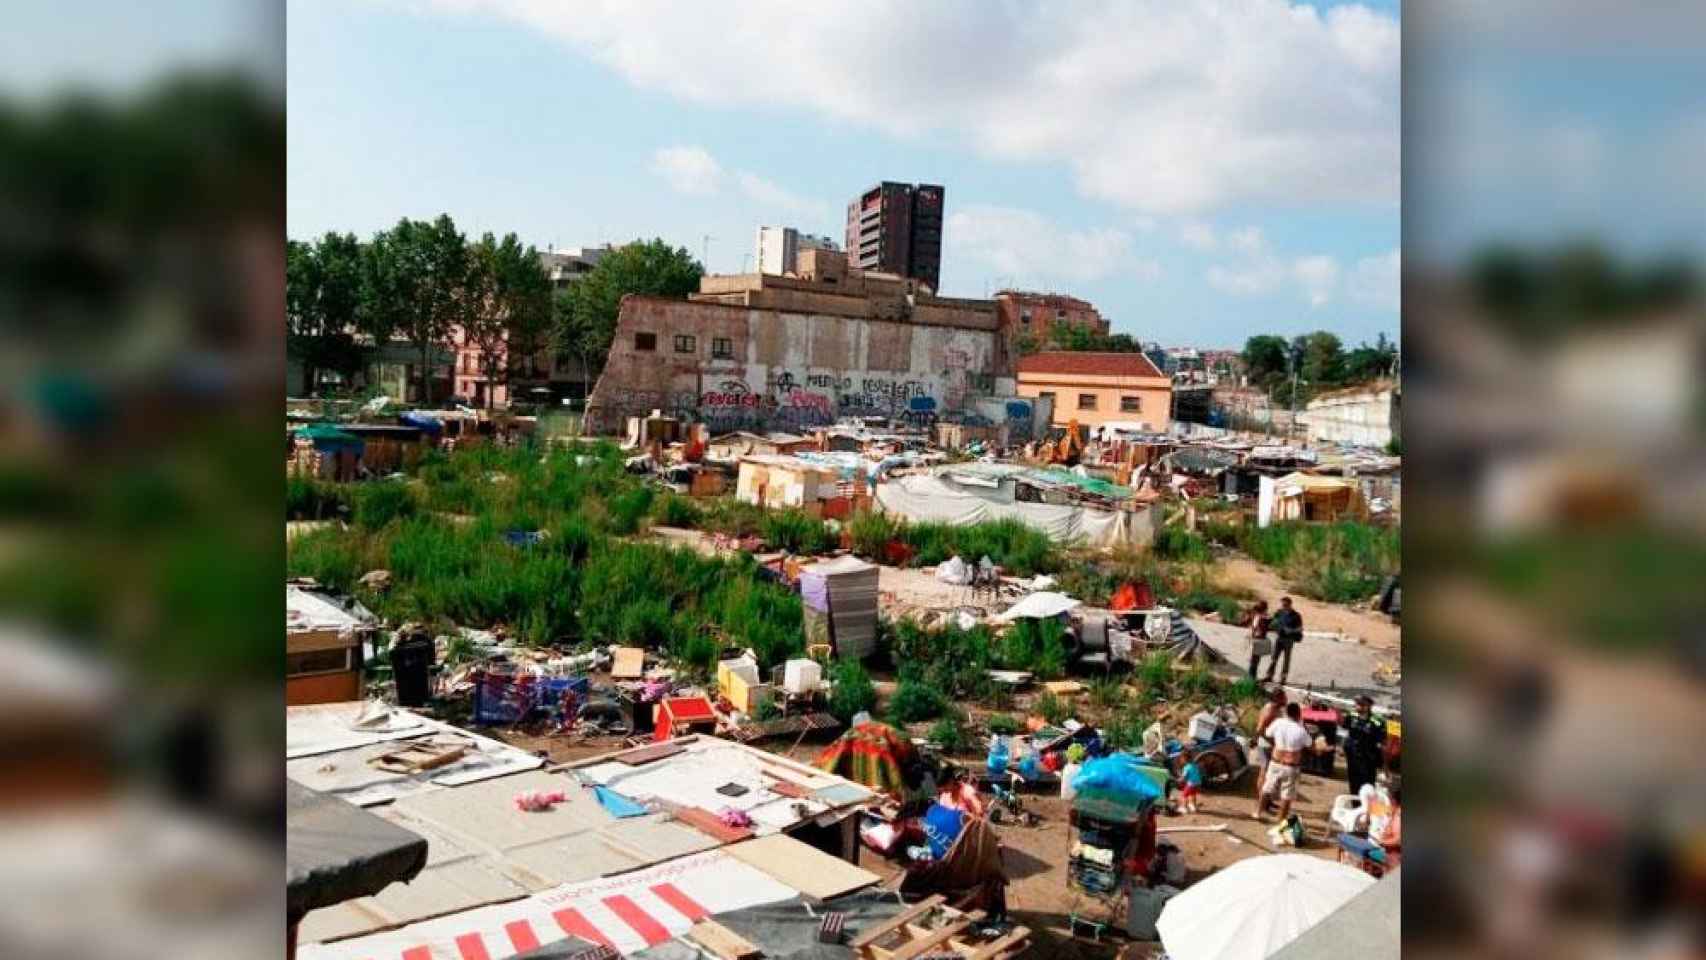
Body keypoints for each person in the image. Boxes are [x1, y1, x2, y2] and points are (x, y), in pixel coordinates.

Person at [1253, 702, 1311, 824]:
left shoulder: (1278, 723)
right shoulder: (1300, 730)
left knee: (1266, 789)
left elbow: (1268, 733)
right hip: (1291, 766)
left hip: (1275, 762)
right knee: (1286, 796)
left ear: (1287, 713)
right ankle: (1280, 820)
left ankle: (1257, 812)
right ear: (1298, 714)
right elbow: (1310, 744)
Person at [1338, 783, 1401, 872]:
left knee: (1353, 848)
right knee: (1353, 837)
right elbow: (1369, 816)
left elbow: (1397, 840)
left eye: (1389, 797)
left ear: (1393, 800)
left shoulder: (1398, 816)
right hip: (1382, 844)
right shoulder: (1390, 809)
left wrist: (1382, 842)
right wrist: (1369, 811)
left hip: (1389, 851)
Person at [1341, 694, 1387, 795]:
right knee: (1353, 782)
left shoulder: (1378, 721)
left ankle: (1367, 808)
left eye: (1361, 704)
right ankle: (1355, 805)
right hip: (1353, 756)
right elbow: (1345, 729)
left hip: (1368, 759)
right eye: (1357, 704)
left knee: (1367, 785)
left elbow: (1382, 743)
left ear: (1369, 706)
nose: (1358, 706)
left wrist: (1384, 765)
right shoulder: (1351, 716)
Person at [1250, 688, 1287, 813]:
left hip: (1269, 745)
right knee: (1264, 774)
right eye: (1284, 697)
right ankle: (1262, 803)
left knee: (1269, 775)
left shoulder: (1275, 708)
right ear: (1278, 698)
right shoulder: (1270, 709)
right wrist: (1268, 742)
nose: (1286, 699)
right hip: (1266, 745)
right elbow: (1260, 727)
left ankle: (1267, 801)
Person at [1263, 596, 1303, 685]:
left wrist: (1291, 630)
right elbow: (1272, 621)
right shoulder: (1279, 612)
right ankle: (1269, 675)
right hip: (1279, 638)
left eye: (1285, 605)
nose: (1283, 606)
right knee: (1274, 657)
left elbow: (1300, 629)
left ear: (1290, 605)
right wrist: (1272, 623)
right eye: (1282, 605)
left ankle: (1283, 678)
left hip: (1289, 640)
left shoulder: (1296, 616)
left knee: (1286, 659)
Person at [1245, 600, 1271, 680]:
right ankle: (1252, 676)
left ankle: (1251, 677)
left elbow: (1263, 629)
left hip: (1258, 639)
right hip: (1255, 639)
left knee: (1254, 660)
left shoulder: (1264, 617)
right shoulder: (1256, 616)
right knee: (1253, 659)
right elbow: (1247, 623)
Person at [1178, 748, 1203, 814]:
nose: (1180, 760)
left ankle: (1184, 808)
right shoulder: (1195, 765)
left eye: (1181, 759)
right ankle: (1193, 806)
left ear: (1184, 759)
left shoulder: (1186, 767)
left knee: (1184, 795)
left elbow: (1184, 777)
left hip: (1191, 784)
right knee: (1193, 794)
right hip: (1197, 783)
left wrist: (1179, 780)